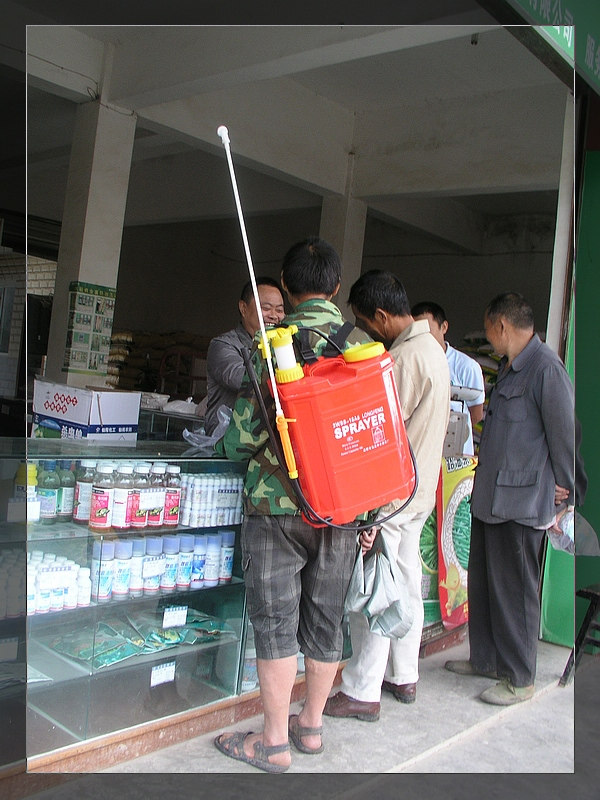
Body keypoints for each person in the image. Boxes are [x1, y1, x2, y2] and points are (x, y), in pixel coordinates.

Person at [212, 237, 374, 772]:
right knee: (326, 619)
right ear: (336, 285)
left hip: (276, 505)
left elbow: (241, 438)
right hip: (342, 508)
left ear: (286, 283)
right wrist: (369, 514)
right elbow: (374, 436)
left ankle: (274, 741)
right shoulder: (363, 345)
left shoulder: (271, 344)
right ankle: (312, 728)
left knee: (275, 621)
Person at [323, 270, 449, 721]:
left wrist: (370, 508)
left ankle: (362, 690)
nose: (366, 331)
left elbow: (378, 434)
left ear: (380, 315)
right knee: (406, 585)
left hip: (392, 497)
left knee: (376, 591)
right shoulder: (433, 349)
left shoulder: (404, 359)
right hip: (418, 493)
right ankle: (403, 674)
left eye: (364, 322)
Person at [445, 292, 575, 705]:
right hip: (490, 496)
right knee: (485, 585)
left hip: (522, 501)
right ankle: (485, 659)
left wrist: (566, 489)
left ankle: (519, 678)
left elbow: (565, 436)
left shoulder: (546, 370)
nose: (488, 337)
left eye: (488, 329)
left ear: (501, 325)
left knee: (515, 592)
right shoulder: (509, 367)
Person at [203, 277, 285, 435]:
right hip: (227, 441)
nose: (274, 316)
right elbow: (242, 380)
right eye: (266, 308)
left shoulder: (281, 348)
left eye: (279, 310)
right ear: (243, 308)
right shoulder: (223, 345)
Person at [411, 300, 485, 455]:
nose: (422, 337)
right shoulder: (411, 363)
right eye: (417, 331)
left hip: (456, 455)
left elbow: (476, 415)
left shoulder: (466, 367)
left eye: (427, 330)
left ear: (444, 327)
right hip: (424, 452)